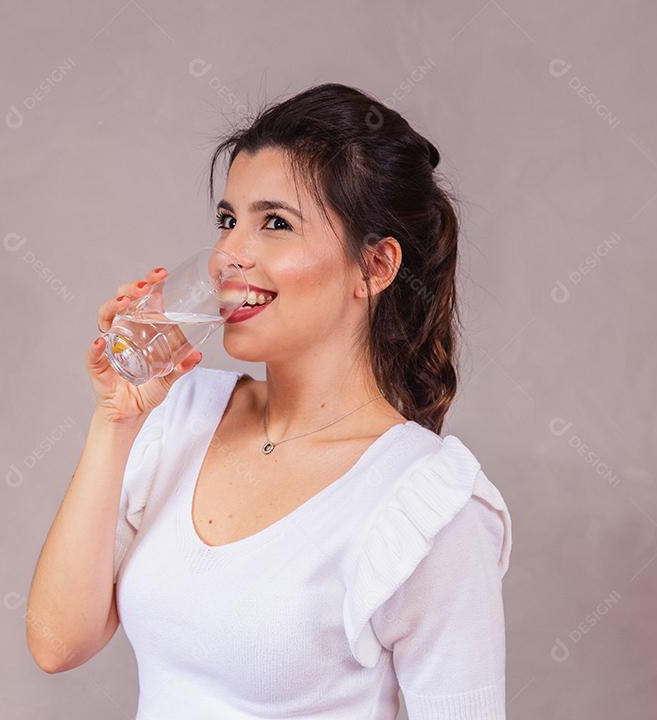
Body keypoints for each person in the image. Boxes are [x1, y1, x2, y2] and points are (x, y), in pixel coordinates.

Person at [27, 82, 513, 720]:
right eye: (228, 220)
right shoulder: (182, 411)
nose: (228, 253)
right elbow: (58, 644)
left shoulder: (429, 507)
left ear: (376, 266)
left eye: (275, 223)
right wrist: (116, 420)